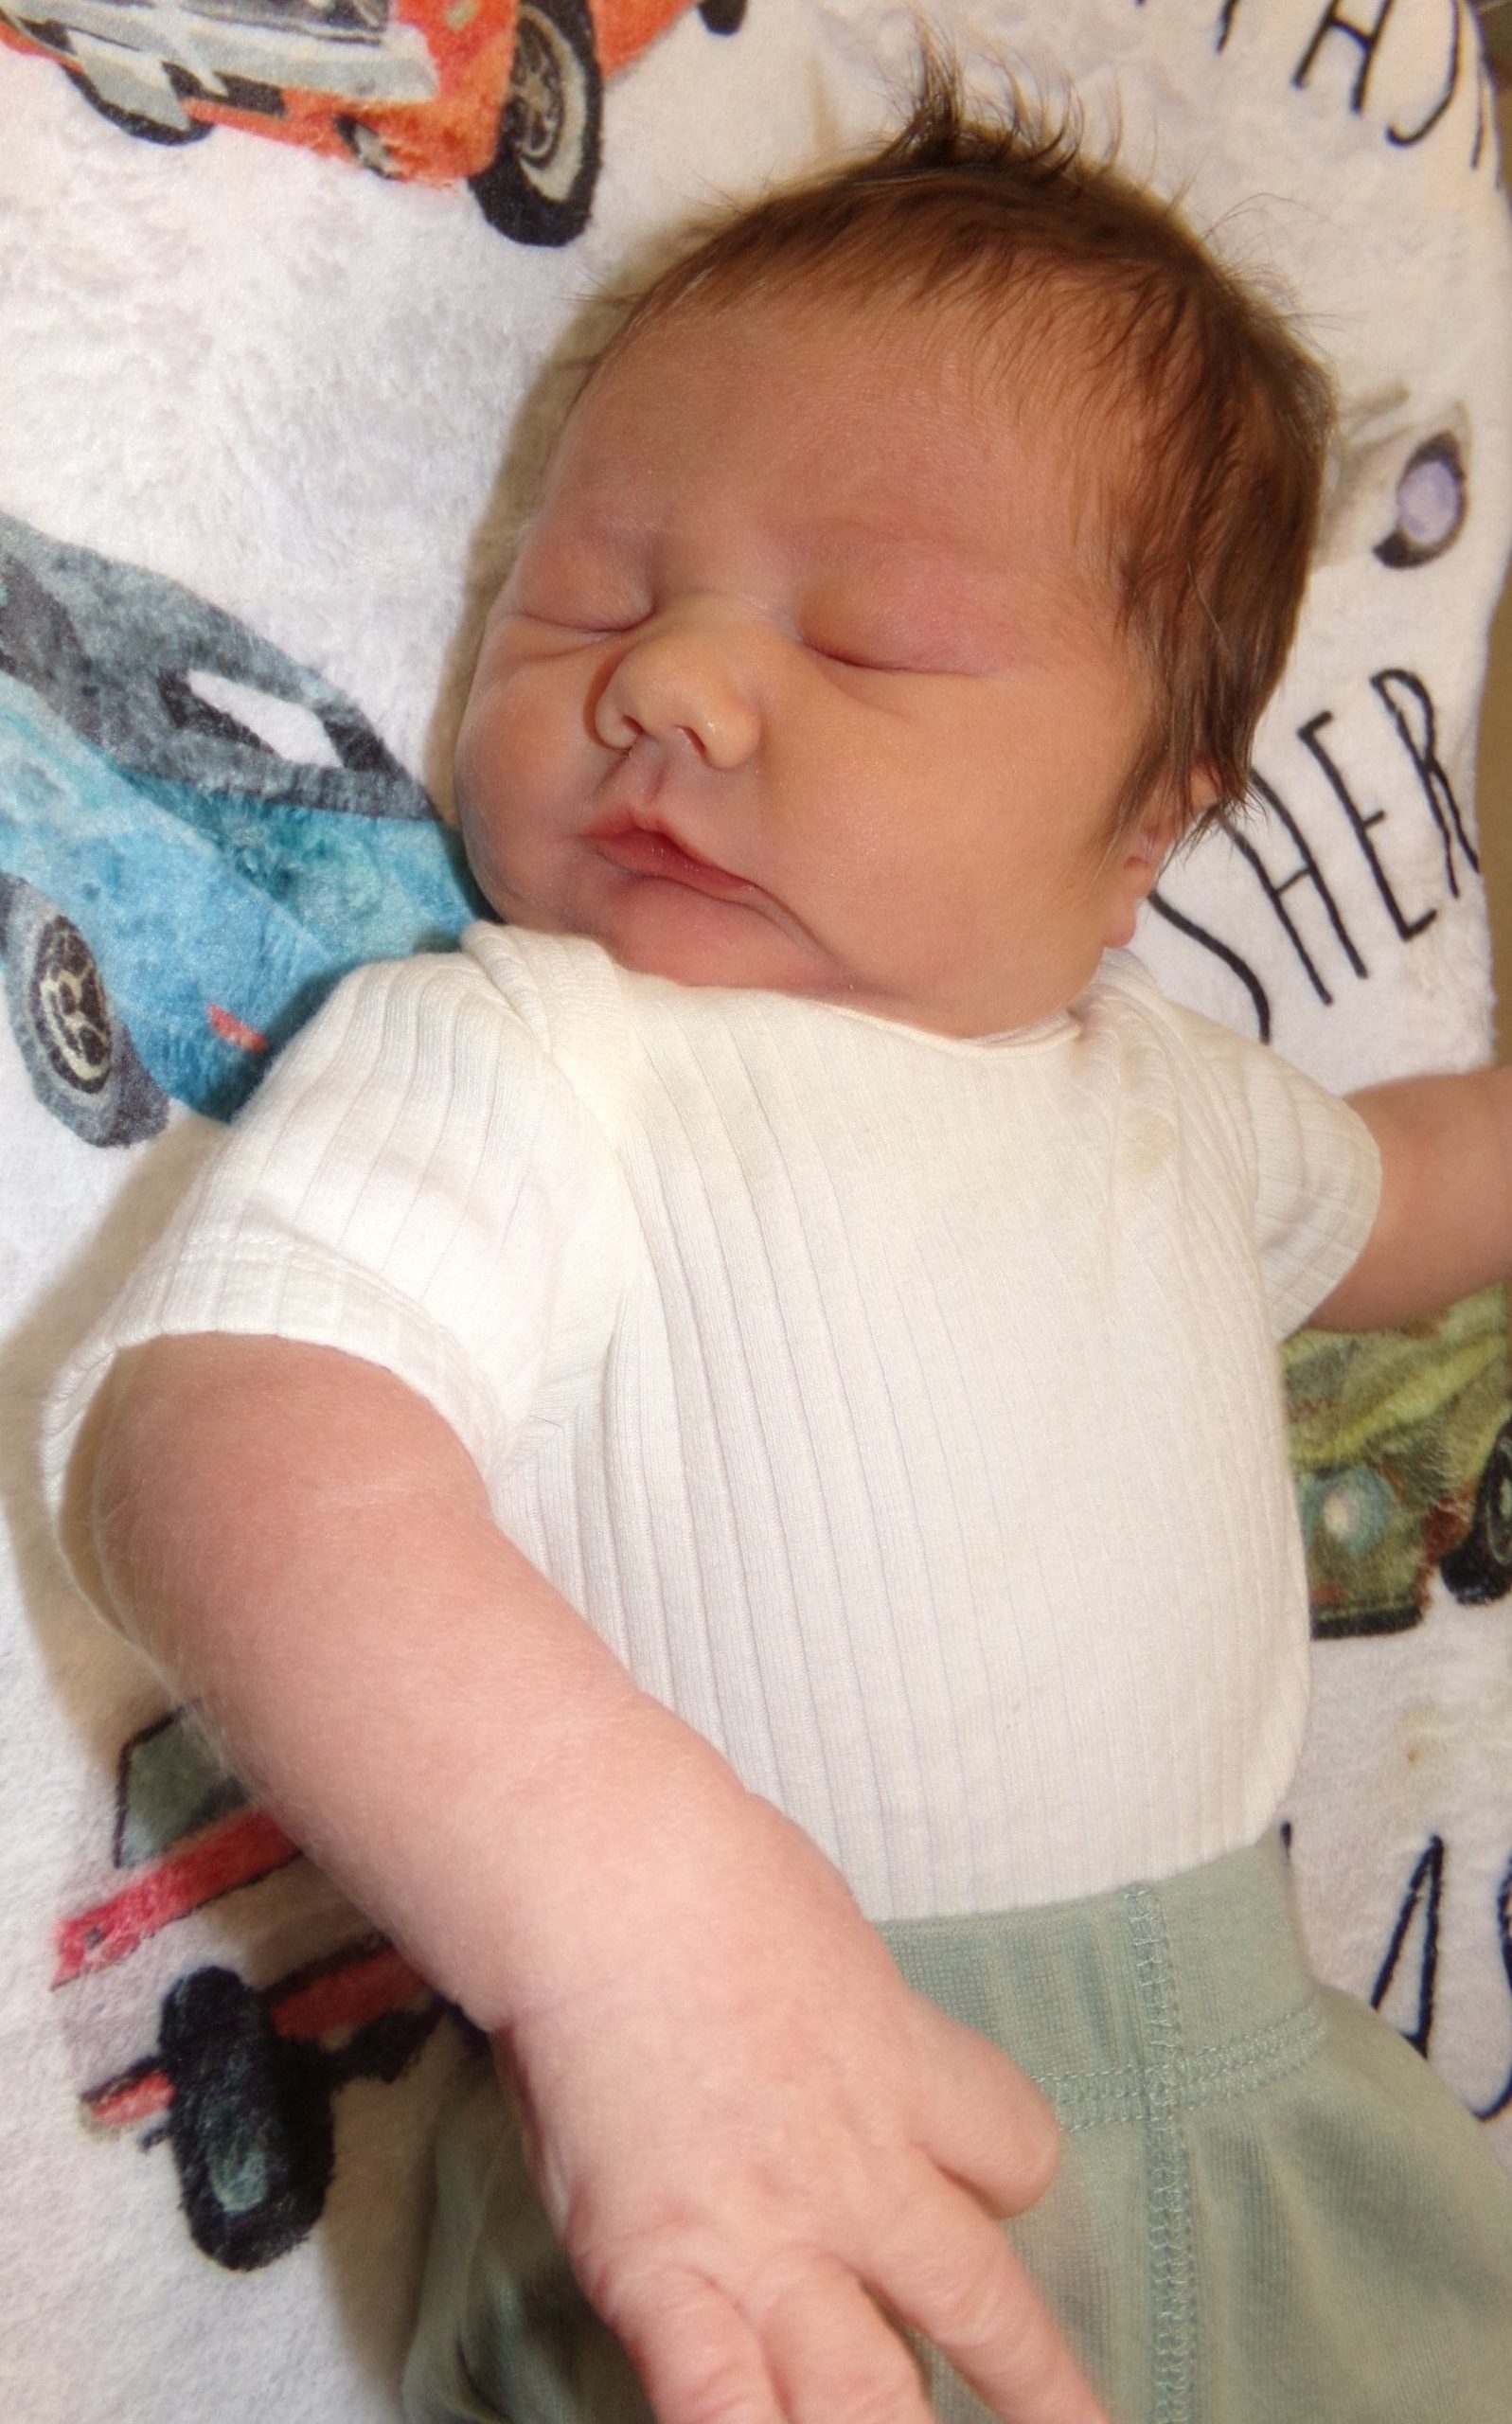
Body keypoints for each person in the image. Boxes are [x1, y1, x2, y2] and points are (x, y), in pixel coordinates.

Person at [44, 65, 1512, 2424]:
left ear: (1149, 823)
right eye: (592, 596)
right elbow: (210, 1438)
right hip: (738, 2167)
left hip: (1292, 2136)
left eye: (869, 642)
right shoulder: (522, 1049)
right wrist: (610, 1907)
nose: (671, 680)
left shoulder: (1176, 1098)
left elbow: (1418, 1186)